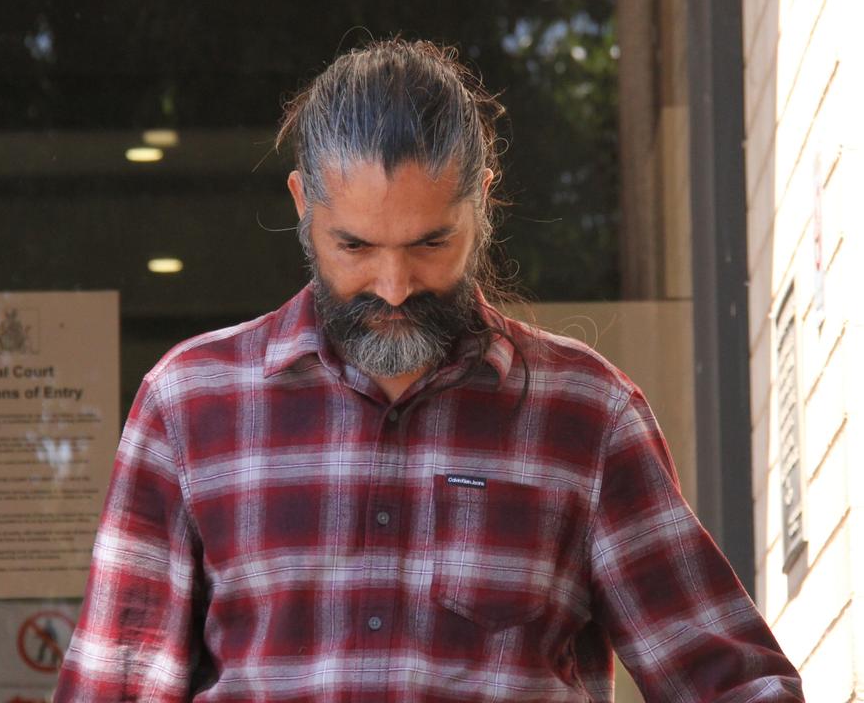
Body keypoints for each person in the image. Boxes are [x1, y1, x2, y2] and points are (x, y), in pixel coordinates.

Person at [55, 38, 804, 702]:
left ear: (482, 203)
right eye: (354, 247)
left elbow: (731, 680)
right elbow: (113, 686)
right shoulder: (189, 405)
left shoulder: (587, 414)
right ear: (301, 207)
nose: (393, 285)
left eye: (428, 244)